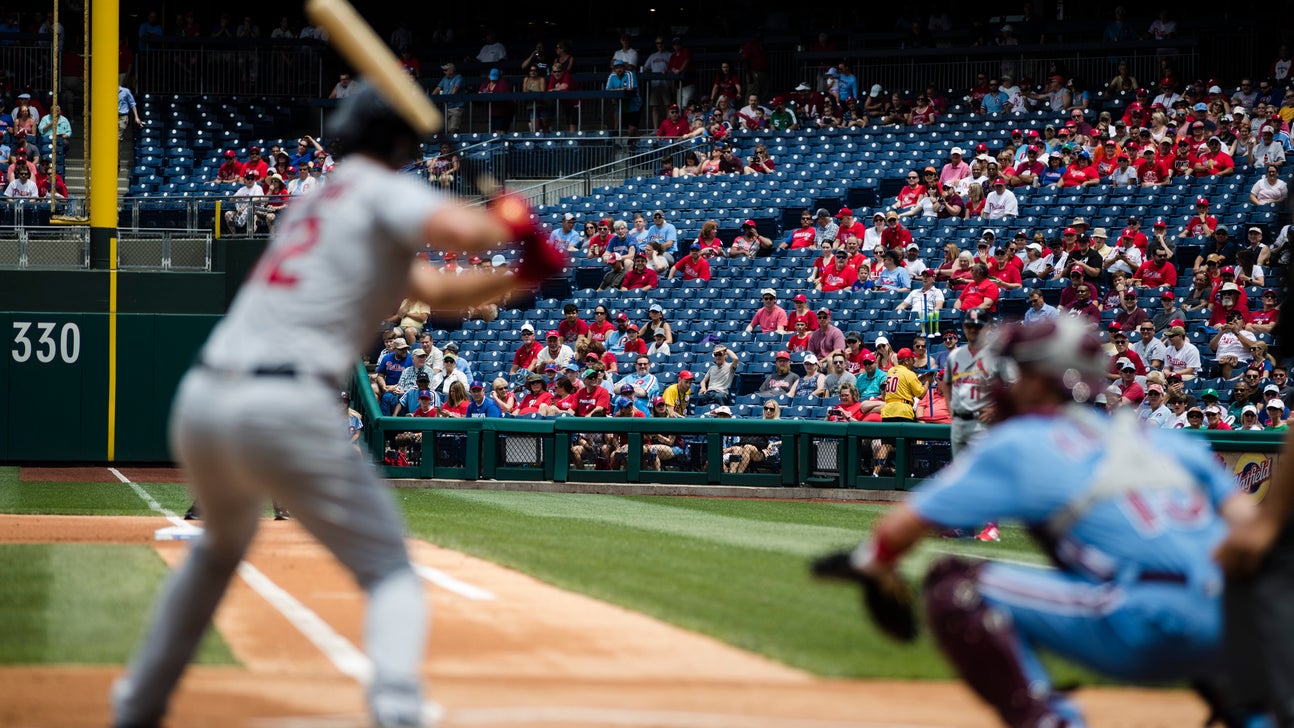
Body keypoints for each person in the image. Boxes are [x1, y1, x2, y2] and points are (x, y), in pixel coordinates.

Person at [112, 86, 566, 728]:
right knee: (389, 571)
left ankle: (136, 707)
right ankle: (399, 713)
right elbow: (467, 228)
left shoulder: (312, 202)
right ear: (399, 148)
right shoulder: (382, 189)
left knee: (217, 554)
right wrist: (517, 220)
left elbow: (433, 287)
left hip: (206, 398)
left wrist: (519, 277)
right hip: (285, 399)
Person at [815, 316, 1254, 728]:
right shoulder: (1163, 440)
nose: (1009, 383)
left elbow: (898, 530)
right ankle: (1256, 711)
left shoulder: (1021, 440)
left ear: (1045, 380)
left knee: (956, 587)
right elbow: (1254, 531)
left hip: (1144, 623)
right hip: (1237, 620)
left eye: (1020, 372)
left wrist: (871, 564)